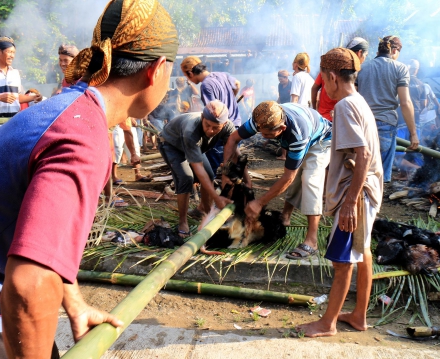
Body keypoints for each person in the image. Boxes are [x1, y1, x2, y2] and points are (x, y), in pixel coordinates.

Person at [0, 1, 179, 358]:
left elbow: (42, 235)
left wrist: (73, 301)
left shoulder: (69, 108)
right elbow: (30, 284)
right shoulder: (82, 135)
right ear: (156, 70)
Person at [297, 47, 382, 338]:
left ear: (332, 77)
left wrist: (348, 203)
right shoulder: (359, 101)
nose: (322, 89)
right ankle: (358, 315)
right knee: (363, 252)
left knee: (343, 261)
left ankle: (327, 323)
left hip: (355, 196)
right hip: (367, 191)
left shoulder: (345, 106)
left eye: (323, 80)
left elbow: (364, 154)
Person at [225, 101, 332, 259]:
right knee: (296, 178)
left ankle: (312, 241)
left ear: (282, 128)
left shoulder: (297, 134)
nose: (263, 136)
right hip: (300, 133)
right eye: (261, 132)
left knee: (310, 181)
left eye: (268, 135)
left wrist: (259, 203)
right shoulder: (261, 119)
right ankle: (286, 217)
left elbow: (288, 177)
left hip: (321, 140)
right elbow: (232, 139)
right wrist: (226, 172)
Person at [158, 100, 234, 237]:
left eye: (215, 128)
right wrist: (217, 199)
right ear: (202, 118)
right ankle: (182, 221)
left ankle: (204, 209)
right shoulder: (191, 130)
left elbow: (234, 155)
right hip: (172, 144)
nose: (210, 131)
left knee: (210, 176)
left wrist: (233, 179)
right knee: (186, 178)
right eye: (207, 125)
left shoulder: (228, 128)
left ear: (224, 124)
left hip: (194, 147)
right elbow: (198, 169)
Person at [356, 35, 419, 182]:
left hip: (362, 123)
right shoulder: (400, 68)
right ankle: (373, 204)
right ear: (395, 50)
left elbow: (355, 96)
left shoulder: (362, 67)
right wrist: (413, 133)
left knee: (361, 173)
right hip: (385, 124)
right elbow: (405, 102)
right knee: (378, 176)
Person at [0, 36, 42, 140]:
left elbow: (17, 97)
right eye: (9, 52)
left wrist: (33, 98)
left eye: (14, 53)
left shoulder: (15, 73)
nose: (12, 56)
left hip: (13, 126)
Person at [180, 56, 241, 174]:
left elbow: (212, 114)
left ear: (190, 73)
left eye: (187, 76)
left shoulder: (206, 85)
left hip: (222, 129)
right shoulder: (223, 74)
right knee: (232, 163)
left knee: (213, 167)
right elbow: (237, 84)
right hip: (236, 125)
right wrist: (231, 99)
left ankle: (214, 190)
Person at [311, 38, 370, 122]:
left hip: (333, 118)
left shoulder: (346, 108)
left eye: (325, 82)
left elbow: (314, 88)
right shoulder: (357, 104)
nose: (325, 89)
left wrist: (314, 109)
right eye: (366, 55)